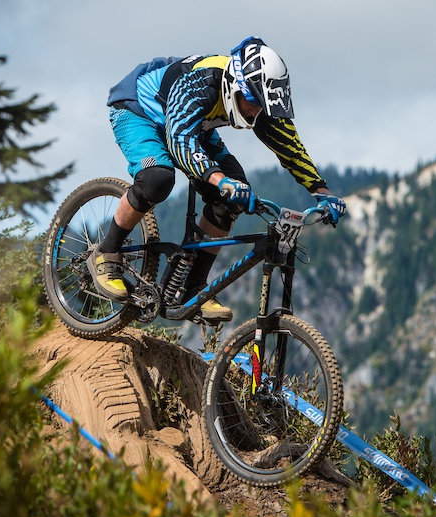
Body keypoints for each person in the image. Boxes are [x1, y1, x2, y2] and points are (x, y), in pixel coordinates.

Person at [91, 36, 346, 323]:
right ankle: (107, 253)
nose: (255, 111)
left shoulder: (259, 97)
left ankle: (194, 288)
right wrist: (220, 180)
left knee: (234, 198)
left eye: (261, 106)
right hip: (138, 109)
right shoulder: (201, 84)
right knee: (157, 179)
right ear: (234, 85)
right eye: (251, 102)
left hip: (191, 124)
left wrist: (322, 192)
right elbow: (180, 140)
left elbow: (291, 148)